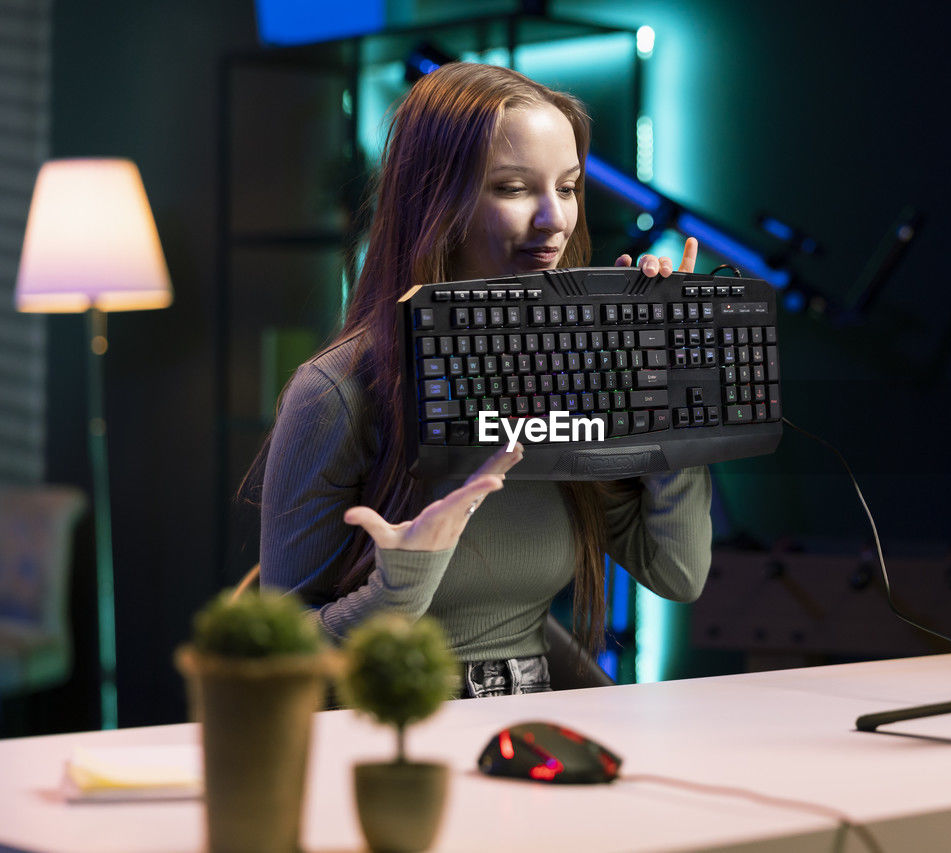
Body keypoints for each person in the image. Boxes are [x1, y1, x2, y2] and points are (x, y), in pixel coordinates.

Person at [258, 63, 712, 697]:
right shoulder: (336, 393)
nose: (556, 220)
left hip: (529, 730)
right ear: (436, 202)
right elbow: (276, 656)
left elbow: (678, 575)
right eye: (514, 187)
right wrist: (404, 578)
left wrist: (673, 395)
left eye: (570, 187)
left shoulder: (572, 368)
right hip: (389, 731)